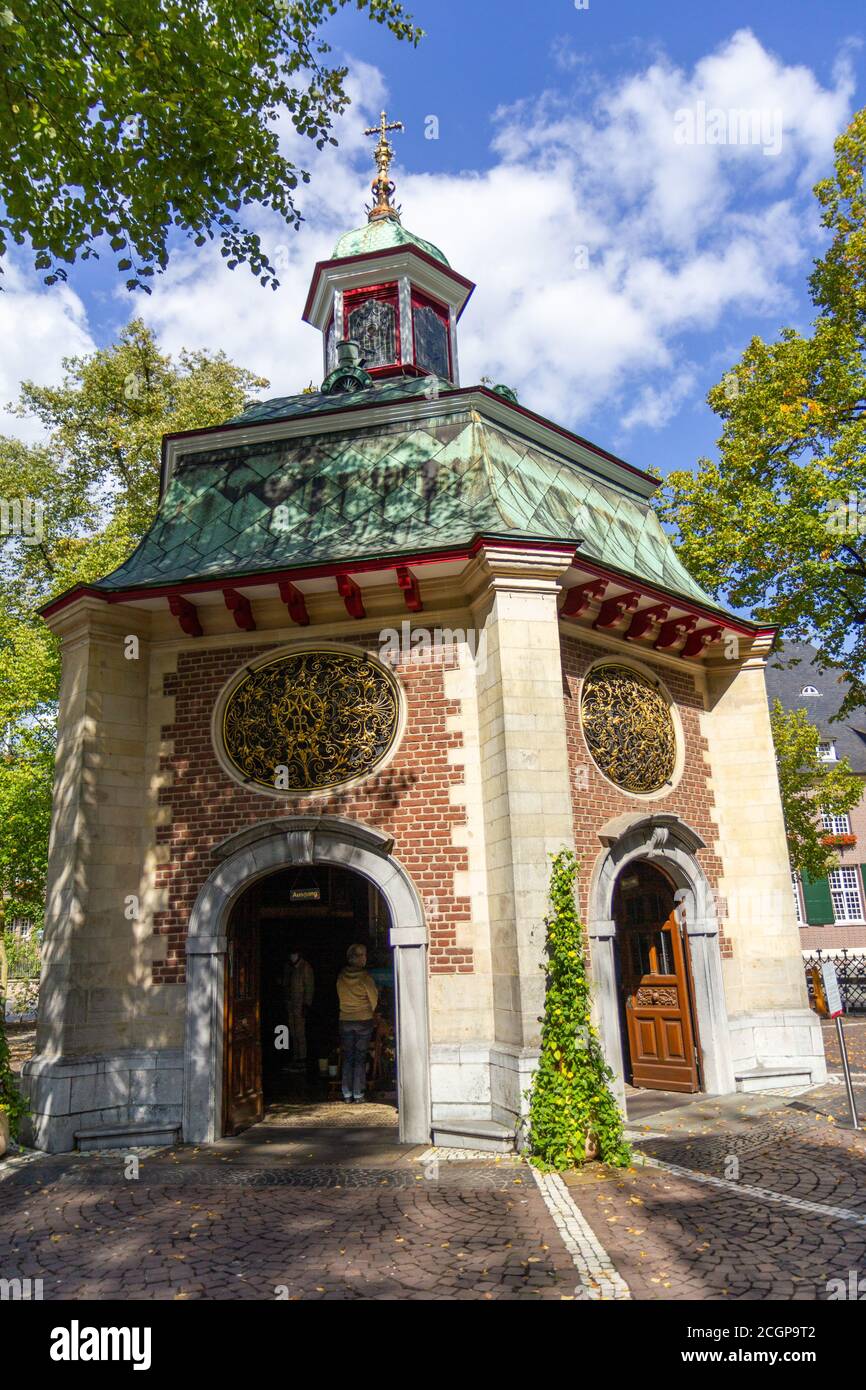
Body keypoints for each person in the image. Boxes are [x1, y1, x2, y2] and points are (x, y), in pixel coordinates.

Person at [336, 943, 378, 1102]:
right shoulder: (365, 977)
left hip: (345, 1019)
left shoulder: (341, 976)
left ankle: (346, 1093)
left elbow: (340, 995)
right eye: (363, 955)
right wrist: (369, 1011)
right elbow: (374, 999)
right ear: (358, 958)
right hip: (363, 1020)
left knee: (348, 1057)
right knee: (360, 1057)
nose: (365, 958)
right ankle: (358, 1093)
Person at [284, 949, 314, 1064]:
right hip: (291, 1004)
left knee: (300, 1033)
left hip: (300, 1005)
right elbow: (286, 985)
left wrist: (306, 1004)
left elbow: (309, 987)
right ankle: (296, 1057)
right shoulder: (289, 967)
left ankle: (302, 1058)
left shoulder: (305, 967)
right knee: (292, 1031)